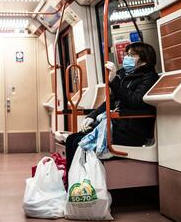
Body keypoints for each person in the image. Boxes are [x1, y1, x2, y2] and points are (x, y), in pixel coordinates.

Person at [65, 42, 159, 173]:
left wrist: (115, 81)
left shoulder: (149, 78)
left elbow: (135, 101)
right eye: (127, 54)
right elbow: (109, 102)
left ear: (144, 58)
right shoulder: (124, 75)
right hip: (117, 125)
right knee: (71, 139)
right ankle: (71, 183)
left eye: (132, 55)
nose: (127, 58)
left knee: (78, 142)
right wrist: (91, 116)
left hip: (132, 130)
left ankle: (83, 185)